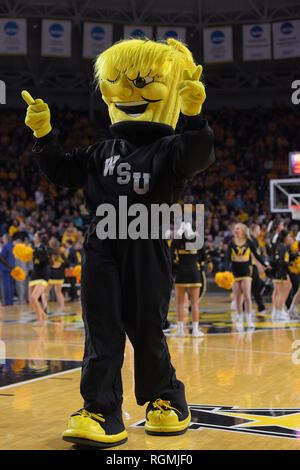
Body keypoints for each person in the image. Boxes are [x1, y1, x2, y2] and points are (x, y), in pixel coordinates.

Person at [21, 37, 214, 448]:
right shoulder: (99, 151)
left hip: (147, 245)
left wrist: (194, 117)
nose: (125, 93)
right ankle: (101, 410)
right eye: (117, 82)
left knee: (147, 331)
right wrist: (45, 135)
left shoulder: (169, 148)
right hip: (101, 248)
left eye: (140, 83)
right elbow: (59, 171)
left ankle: (166, 399)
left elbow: (197, 157)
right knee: (101, 331)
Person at [226, 223, 269, 331]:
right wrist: (227, 270)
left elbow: (257, 254)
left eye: (238, 229)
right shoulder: (231, 243)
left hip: (246, 270)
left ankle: (249, 319)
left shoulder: (249, 242)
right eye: (235, 229)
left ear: (243, 231)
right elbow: (227, 258)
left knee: (247, 296)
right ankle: (240, 319)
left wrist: (265, 264)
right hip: (235, 270)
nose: (236, 231)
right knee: (237, 297)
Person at [271, 229, 293, 322]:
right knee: (281, 293)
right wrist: (291, 265)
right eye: (288, 236)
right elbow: (282, 261)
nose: (289, 238)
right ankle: (279, 312)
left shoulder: (278, 246)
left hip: (277, 271)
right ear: (284, 238)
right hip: (281, 271)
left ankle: (276, 311)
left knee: (277, 292)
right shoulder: (283, 247)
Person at [29, 231, 50, 324]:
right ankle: (43, 316)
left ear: (39, 238)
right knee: (31, 302)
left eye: (35, 236)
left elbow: (43, 257)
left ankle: (40, 320)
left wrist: (35, 252)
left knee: (34, 298)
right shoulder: (34, 248)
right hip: (34, 275)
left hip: (43, 275)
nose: (34, 238)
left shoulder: (44, 248)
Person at [43, 237, 65, 314]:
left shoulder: (49, 252)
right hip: (60, 274)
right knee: (58, 292)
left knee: (44, 292)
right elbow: (66, 262)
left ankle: (45, 307)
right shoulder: (61, 252)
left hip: (51, 274)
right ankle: (62, 309)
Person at [250, 224, 267, 314]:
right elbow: (254, 255)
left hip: (251, 266)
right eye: (258, 229)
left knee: (255, 287)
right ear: (254, 229)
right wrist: (259, 266)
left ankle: (261, 306)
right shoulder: (253, 239)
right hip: (252, 266)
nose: (260, 231)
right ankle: (260, 307)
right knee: (255, 287)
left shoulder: (252, 239)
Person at [0, 234, 15, 305]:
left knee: (6, 285)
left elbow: (2, 257)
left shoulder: (5, 246)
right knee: (11, 285)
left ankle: (7, 301)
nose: (2, 239)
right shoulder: (12, 246)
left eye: (3, 238)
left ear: (6, 239)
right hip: (12, 268)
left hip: (5, 268)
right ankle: (11, 300)